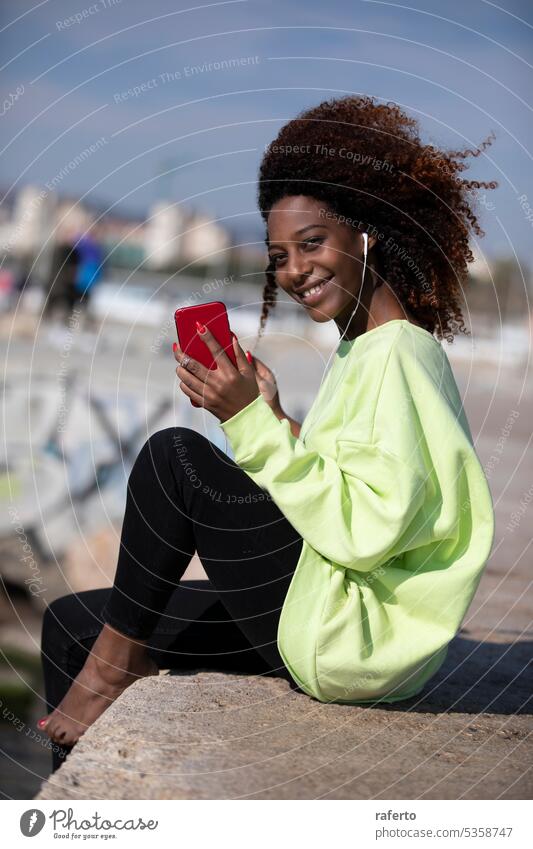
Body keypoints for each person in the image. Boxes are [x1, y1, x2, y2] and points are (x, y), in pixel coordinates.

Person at [39, 94, 497, 773]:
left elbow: (366, 530)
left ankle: (114, 671)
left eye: (312, 244)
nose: (293, 272)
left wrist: (245, 423)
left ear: (366, 232)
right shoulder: (364, 349)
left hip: (348, 634)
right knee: (71, 621)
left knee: (175, 459)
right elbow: (353, 490)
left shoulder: (397, 351)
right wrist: (277, 417)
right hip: (332, 608)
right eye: (279, 255)